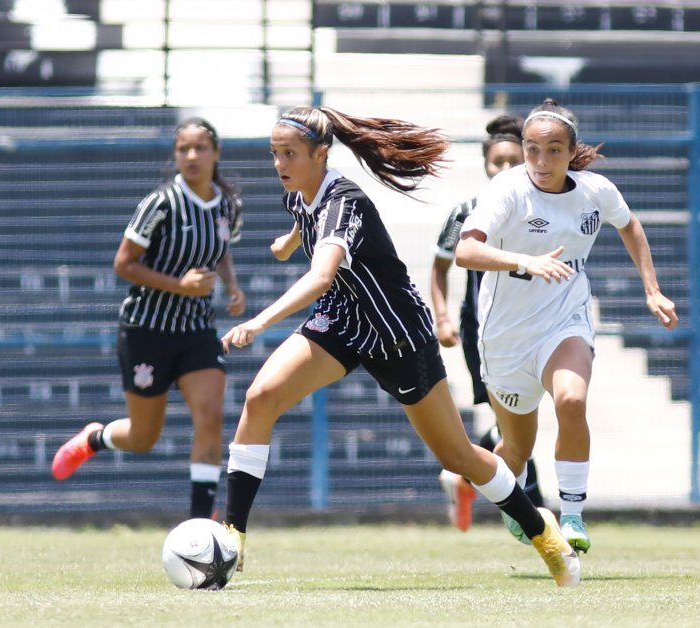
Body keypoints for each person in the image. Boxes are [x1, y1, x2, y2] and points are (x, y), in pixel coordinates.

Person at [219, 105, 580, 588]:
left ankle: (543, 533)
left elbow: (322, 273)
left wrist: (261, 321)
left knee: (459, 458)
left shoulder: (341, 202)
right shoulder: (301, 193)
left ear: (321, 155)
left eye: (290, 154)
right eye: (275, 153)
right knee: (260, 399)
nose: (280, 163)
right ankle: (232, 533)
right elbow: (307, 228)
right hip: (343, 323)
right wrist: (288, 242)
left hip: (398, 334)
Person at [455, 99, 678, 554]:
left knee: (572, 400)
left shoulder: (595, 191)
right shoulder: (507, 191)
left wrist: (652, 290)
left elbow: (629, 224)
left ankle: (573, 514)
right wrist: (524, 261)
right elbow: (465, 252)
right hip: (505, 338)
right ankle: (513, 503)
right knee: (515, 450)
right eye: (532, 149)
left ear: (572, 151)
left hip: (564, 320)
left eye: (553, 150)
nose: (540, 160)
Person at [51, 118, 246, 520]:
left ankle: (199, 526)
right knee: (143, 437)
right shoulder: (160, 203)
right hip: (147, 330)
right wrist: (181, 285)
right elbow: (123, 264)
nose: (191, 156)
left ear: (216, 153)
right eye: (183, 149)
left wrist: (231, 285)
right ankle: (94, 438)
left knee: (210, 417)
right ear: (175, 155)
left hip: (196, 330)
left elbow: (221, 248)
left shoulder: (228, 205)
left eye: (200, 148)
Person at [431, 114, 546, 532]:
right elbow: (440, 268)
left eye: (515, 160)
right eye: (498, 161)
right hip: (485, 335)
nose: (505, 169)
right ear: (485, 165)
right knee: (511, 422)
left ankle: (462, 476)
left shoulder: (539, 211)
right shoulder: (468, 213)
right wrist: (442, 318)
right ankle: (536, 517)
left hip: (533, 328)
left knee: (516, 422)